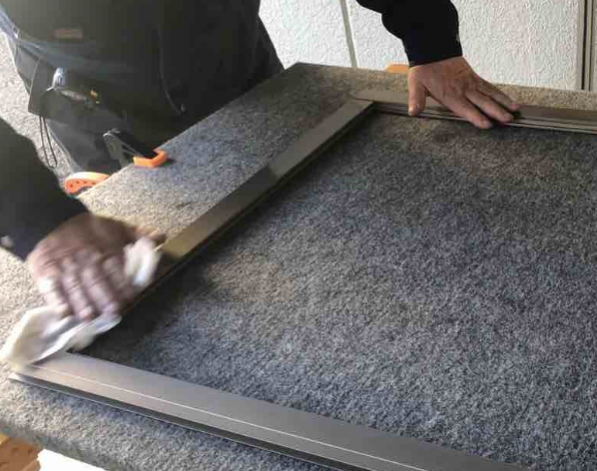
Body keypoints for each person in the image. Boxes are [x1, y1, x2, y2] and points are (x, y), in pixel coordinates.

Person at [0, 0, 520, 321]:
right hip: (95, 87)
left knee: (295, 222)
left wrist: (429, 39)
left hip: (226, 54)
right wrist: (34, 219)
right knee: (157, 300)